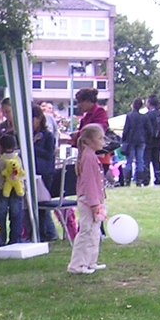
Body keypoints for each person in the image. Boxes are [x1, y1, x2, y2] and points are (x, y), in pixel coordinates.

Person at [67, 124, 108, 274]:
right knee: (86, 231)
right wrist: (94, 203)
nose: (103, 141)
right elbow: (90, 182)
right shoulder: (88, 157)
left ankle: (90, 261)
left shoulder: (91, 156)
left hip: (95, 199)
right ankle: (77, 265)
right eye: (100, 138)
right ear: (89, 141)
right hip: (89, 200)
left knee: (94, 232)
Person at [31, 104, 60, 241]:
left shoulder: (47, 135)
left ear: (39, 118)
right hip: (33, 172)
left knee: (42, 204)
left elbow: (49, 154)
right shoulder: (30, 134)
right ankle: (40, 232)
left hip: (45, 172)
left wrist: (32, 146)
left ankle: (46, 233)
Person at [0, 132, 27, 245]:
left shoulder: (0, 159)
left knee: (0, 215)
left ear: (1, 146)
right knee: (16, 214)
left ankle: (1, 240)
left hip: (3, 188)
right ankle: (15, 240)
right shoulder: (18, 158)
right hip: (17, 189)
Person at [120, 97, 147, 187]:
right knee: (140, 161)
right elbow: (147, 129)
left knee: (129, 161)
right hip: (141, 140)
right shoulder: (143, 117)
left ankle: (127, 181)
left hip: (130, 140)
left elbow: (126, 129)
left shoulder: (129, 116)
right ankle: (139, 181)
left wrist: (123, 140)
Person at [144, 95, 160, 186]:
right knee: (156, 160)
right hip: (158, 139)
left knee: (146, 160)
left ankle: (146, 178)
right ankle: (158, 178)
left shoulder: (147, 115)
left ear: (149, 103)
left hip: (149, 139)